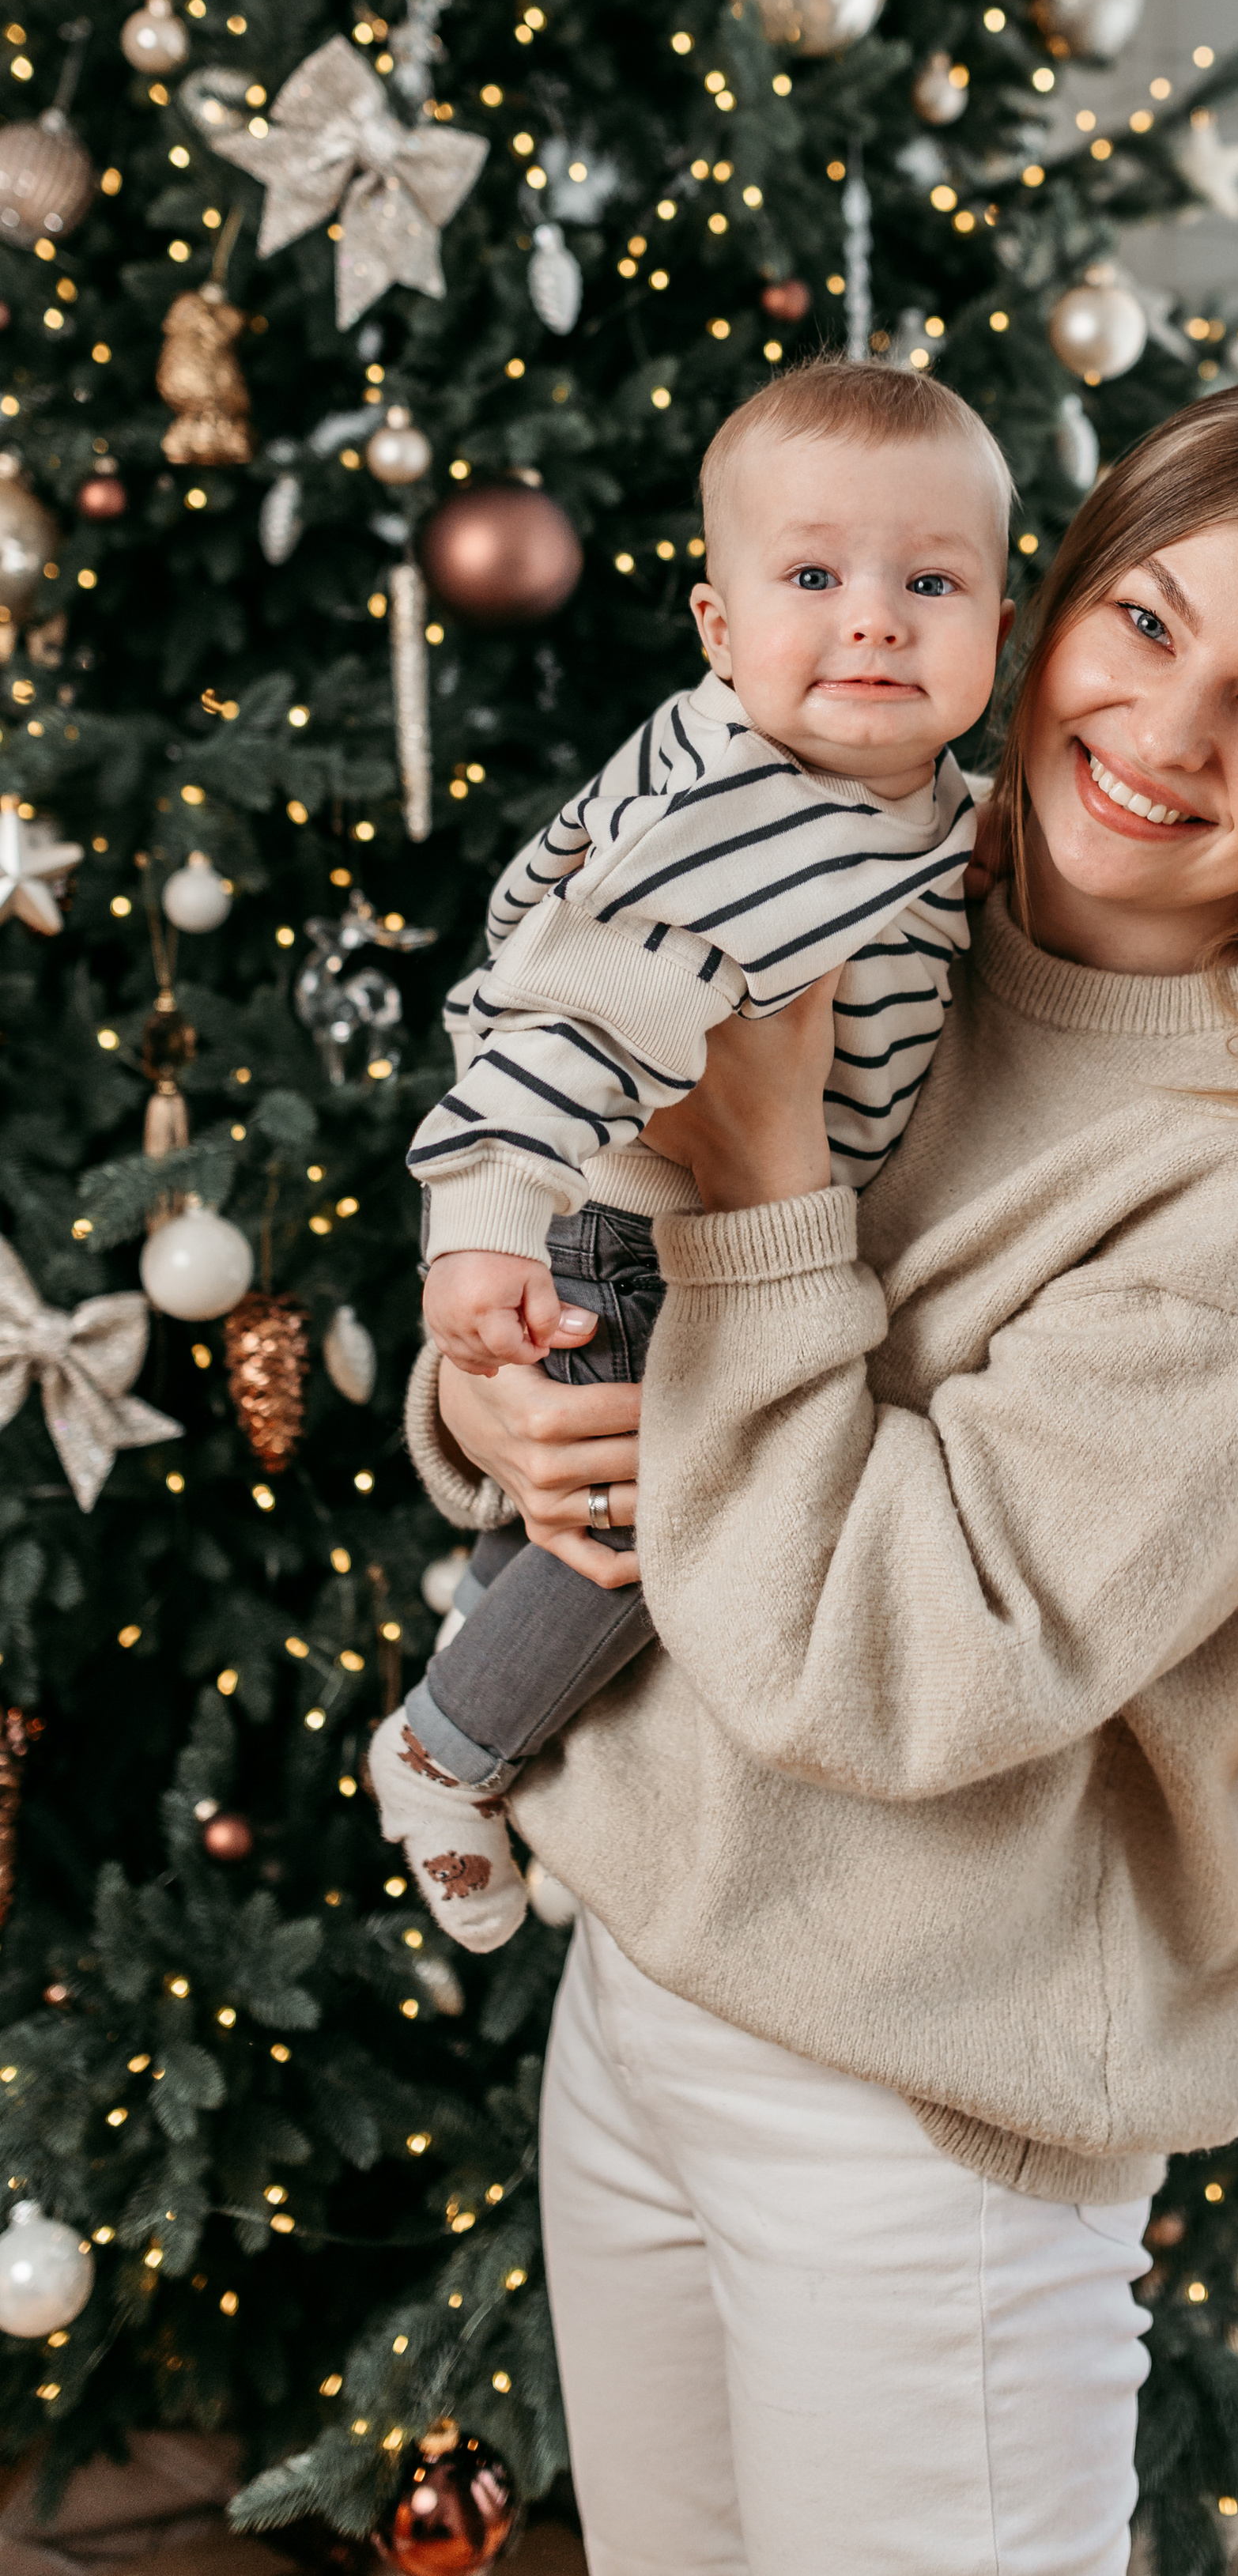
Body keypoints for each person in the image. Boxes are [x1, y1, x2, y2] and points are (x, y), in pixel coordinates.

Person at [402, 375, 1238, 2576]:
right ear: (1049, 610)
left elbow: (892, 1665)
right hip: (645, 1983)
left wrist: (766, 1196)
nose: (1165, 731)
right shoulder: (856, 905)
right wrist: (507, 1414)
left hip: (917, 2113)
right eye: (1146, 623)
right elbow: (588, 1237)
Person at [376, 360, 1014, 1947]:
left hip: (710, 1227)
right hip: (632, 1235)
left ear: (999, 630)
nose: (875, 623)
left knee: (607, 1515)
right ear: (719, 629)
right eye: (814, 579)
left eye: (930, 585)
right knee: (645, 1534)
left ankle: (474, 1671)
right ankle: (446, 1749)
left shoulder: (908, 798)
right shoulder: (737, 820)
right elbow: (566, 1017)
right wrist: (483, 1220)